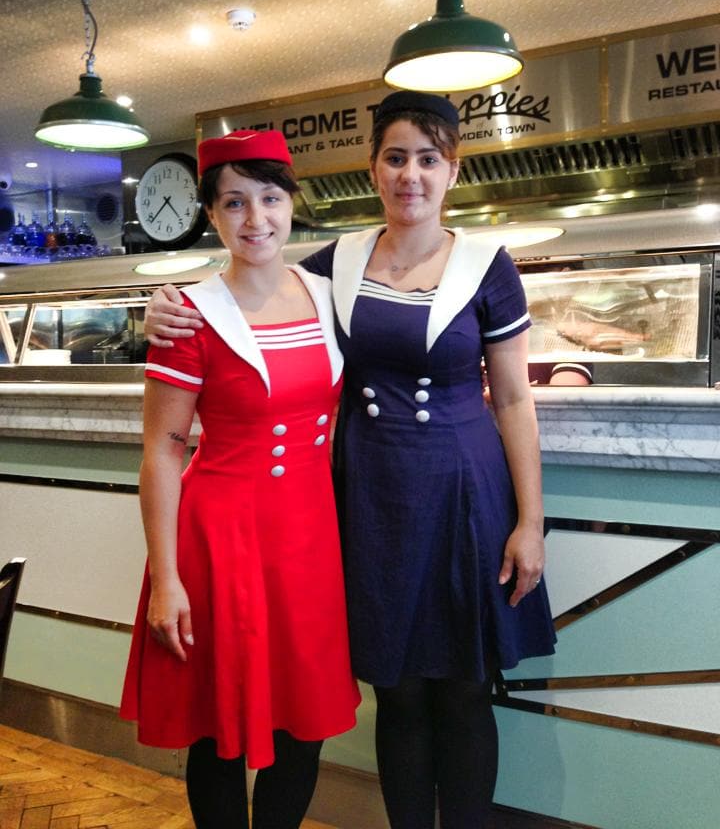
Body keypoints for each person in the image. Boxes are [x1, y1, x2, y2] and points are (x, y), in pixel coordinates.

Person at [144, 92, 557, 829]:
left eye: (428, 159)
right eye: (396, 158)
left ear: (452, 170)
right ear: (372, 169)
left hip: (465, 493)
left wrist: (532, 520)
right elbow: (249, 282)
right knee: (395, 690)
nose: (411, 175)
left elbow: (516, 399)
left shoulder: (487, 265)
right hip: (367, 500)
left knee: (463, 687)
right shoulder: (337, 263)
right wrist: (151, 307)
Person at [120, 130, 359, 829]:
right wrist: (166, 578)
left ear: (292, 203)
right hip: (220, 539)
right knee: (218, 728)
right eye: (234, 203)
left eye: (269, 197)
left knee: (303, 724)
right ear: (212, 216)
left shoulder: (328, 294)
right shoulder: (190, 313)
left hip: (309, 539)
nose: (256, 219)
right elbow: (163, 449)